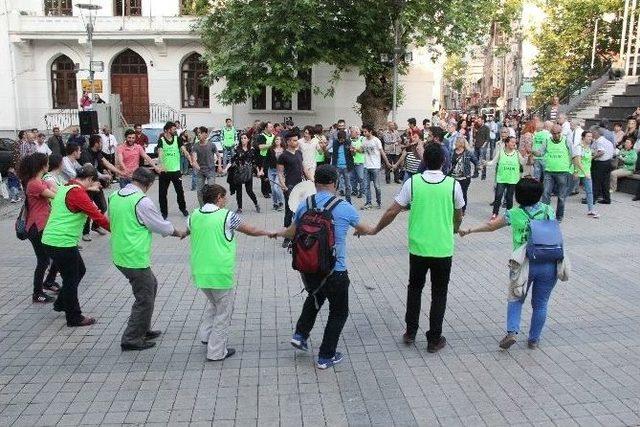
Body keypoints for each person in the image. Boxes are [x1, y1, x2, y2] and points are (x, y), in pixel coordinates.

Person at [276, 165, 375, 369]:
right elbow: (364, 228)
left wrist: (273, 232)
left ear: (315, 183)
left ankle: (300, 334)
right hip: (335, 270)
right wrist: (365, 231)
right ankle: (325, 356)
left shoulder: (305, 203)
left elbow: (292, 232)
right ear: (335, 183)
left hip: (309, 266)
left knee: (315, 296)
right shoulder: (344, 206)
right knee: (339, 312)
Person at [369, 144, 465, 352]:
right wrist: (455, 228)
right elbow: (459, 214)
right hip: (442, 248)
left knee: (414, 289)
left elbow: (392, 211)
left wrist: (377, 229)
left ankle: (410, 331)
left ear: (424, 161)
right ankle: (434, 339)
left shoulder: (413, 183)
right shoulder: (453, 185)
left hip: (418, 248)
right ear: (444, 162)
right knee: (439, 293)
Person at [459, 178, 559, 350]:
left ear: (518, 196)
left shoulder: (513, 214)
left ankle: (512, 331)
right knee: (541, 303)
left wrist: (469, 230)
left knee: (516, 299)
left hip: (522, 263)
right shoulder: (549, 210)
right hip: (549, 261)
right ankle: (534, 339)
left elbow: (490, 226)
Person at [189, 184, 273, 361]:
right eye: (225, 197)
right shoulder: (226, 216)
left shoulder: (194, 215)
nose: (226, 200)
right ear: (218, 198)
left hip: (199, 272)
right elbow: (250, 230)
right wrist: (269, 231)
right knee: (223, 312)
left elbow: (188, 230)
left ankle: (206, 336)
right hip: (219, 273)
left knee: (214, 303)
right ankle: (216, 352)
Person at [109, 167, 187, 351]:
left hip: (120, 252)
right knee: (144, 297)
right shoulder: (141, 202)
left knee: (151, 285)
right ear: (149, 184)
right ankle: (132, 338)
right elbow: (160, 225)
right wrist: (179, 233)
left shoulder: (116, 195)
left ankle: (143, 327)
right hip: (133, 256)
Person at [42, 164, 110, 327]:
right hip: (61, 242)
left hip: (52, 240)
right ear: (89, 179)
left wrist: (90, 189)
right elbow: (97, 217)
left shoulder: (67, 186)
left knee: (80, 271)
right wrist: (119, 231)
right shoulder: (78, 193)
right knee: (71, 278)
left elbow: (77, 196)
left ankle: (61, 304)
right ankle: (74, 317)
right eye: (94, 182)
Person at [18, 153, 59, 303]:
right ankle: (37, 293)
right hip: (36, 227)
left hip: (43, 226)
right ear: (42, 165)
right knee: (43, 260)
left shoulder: (40, 181)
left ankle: (48, 282)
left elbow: (56, 191)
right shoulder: (33, 184)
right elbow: (55, 195)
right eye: (47, 162)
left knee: (54, 256)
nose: (49, 165)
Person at [533, 125, 576, 222]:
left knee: (561, 196)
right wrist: (533, 152)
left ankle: (559, 217)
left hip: (563, 172)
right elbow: (541, 153)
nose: (556, 135)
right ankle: (545, 215)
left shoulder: (566, 141)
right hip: (549, 171)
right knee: (545, 194)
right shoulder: (547, 141)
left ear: (561, 132)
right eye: (554, 133)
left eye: (558, 133)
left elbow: (574, 155)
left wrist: (575, 170)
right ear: (551, 133)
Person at [487, 136, 526, 219]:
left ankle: (509, 214)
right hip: (501, 178)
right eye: (512, 142)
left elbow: (522, 162)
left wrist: (526, 156)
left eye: (515, 142)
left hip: (512, 179)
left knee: (509, 197)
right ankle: (495, 213)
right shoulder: (501, 152)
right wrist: (486, 163)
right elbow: (493, 162)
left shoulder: (516, 153)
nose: (514, 144)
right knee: (498, 196)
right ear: (507, 143)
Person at [157, 121, 190, 219]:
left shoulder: (177, 139)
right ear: (167, 130)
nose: (175, 130)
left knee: (180, 191)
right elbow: (160, 153)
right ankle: (164, 212)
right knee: (162, 193)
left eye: (175, 129)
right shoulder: (161, 140)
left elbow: (184, 150)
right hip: (165, 171)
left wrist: (190, 158)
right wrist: (162, 165)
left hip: (176, 171)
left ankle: (183, 208)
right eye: (173, 129)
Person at [277, 130, 304, 248]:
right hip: (290, 186)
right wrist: (283, 185)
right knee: (289, 211)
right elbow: (280, 173)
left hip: (300, 187)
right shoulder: (283, 156)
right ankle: (287, 237)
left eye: (297, 140)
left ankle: (299, 234)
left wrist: (312, 181)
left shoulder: (299, 153)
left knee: (301, 211)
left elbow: (303, 169)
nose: (296, 142)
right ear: (288, 142)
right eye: (293, 140)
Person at [361, 124, 392, 209]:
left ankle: (378, 202)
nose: (364, 133)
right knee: (366, 186)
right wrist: (354, 149)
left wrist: (387, 163)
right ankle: (368, 203)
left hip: (375, 166)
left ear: (370, 131)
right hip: (366, 166)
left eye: (365, 131)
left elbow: (382, 152)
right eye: (363, 131)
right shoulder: (363, 139)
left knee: (376, 186)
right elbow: (362, 150)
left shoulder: (376, 140)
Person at [228, 134, 260, 213]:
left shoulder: (252, 150)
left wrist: (258, 171)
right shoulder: (237, 149)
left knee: (249, 191)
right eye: (241, 138)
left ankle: (256, 204)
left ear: (248, 139)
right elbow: (232, 160)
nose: (243, 140)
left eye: (245, 138)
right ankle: (240, 208)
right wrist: (226, 169)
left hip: (248, 173)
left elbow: (254, 162)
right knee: (239, 191)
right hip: (238, 172)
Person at [191, 126, 221, 206]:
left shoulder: (212, 145)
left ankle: (212, 207)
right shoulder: (195, 146)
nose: (198, 135)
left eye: (200, 133)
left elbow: (218, 155)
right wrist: (197, 166)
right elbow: (194, 160)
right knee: (199, 191)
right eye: (197, 133)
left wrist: (220, 166)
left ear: (205, 134)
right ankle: (202, 207)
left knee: (211, 190)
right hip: (200, 172)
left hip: (210, 171)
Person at [573, 131, 599, 218]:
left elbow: (587, 160)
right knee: (566, 191)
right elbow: (577, 161)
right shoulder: (579, 147)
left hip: (586, 173)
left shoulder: (588, 148)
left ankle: (591, 210)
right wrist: (580, 172)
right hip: (577, 173)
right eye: (588, 136)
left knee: (589, 192)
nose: (590, 138)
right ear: (583, 137)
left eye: (591, 136)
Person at [449, 136, 478, 214]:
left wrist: (477, 169)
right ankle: (454, 208)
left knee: (463, 193)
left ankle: (463, 210)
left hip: (465, 178)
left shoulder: (468, 153)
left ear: (461, 144)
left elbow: (475, 161)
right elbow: (449, 163)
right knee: (453, 193)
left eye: (457, 142)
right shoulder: (452, 152)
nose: (455, 143)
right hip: (453, 177)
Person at [590, 127, 615, 205]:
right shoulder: (607, 141)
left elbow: (601, 152)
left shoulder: (599, 141)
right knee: (605, 182)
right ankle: (607, 199)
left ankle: (593, 199)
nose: (591, 134)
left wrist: (591, 158)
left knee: (596, 182)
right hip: (608, 163)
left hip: (600, 163)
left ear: (596, 133)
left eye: (592, 132)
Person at [331, 130, 354, 203]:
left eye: (343, 139)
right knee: (335, 185)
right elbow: (328, 150)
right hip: (337, 167)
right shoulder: (335, 143)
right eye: (340, 139)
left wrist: (353, 151)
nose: (341, 141)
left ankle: (348, 201)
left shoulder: (348, 142)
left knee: (348, 185)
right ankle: (334, 201)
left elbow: (353, 154)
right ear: (338, 138)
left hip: (346, 167)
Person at [253, 122, 275, 198]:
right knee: (264, 175)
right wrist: (271, 145)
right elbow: (260, 147)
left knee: (270, 174)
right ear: (265, 128)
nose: (272, 128)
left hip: (271, 157)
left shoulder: (273, 136)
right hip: (263, 157)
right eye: (270, 127)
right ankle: (265, 192)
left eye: (272, 127)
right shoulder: (261, 136)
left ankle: (269, 189)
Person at [266, 135, 285, 211]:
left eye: (278, 139)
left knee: (276, 187)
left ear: (281, 141)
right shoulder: (270, 149)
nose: (277, 140)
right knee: (273, 189)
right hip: (271, 170)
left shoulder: (284, 150)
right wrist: (262, 170)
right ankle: (275, 204)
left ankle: (281, 202)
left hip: (280, 171)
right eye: (276, 139)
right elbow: (266, 160)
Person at [349, 126, 365, 198]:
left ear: (357, 132)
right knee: (352, 178)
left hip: (360, 162)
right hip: (352, 162)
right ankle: (354, 191)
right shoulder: (349, 140)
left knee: (361, 178)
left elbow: (363, 150)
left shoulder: (362, 139)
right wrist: (352, 151)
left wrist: (355, 149)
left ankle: (362, 191)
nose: (350, 133)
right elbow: (351, 152)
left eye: (351, 132)